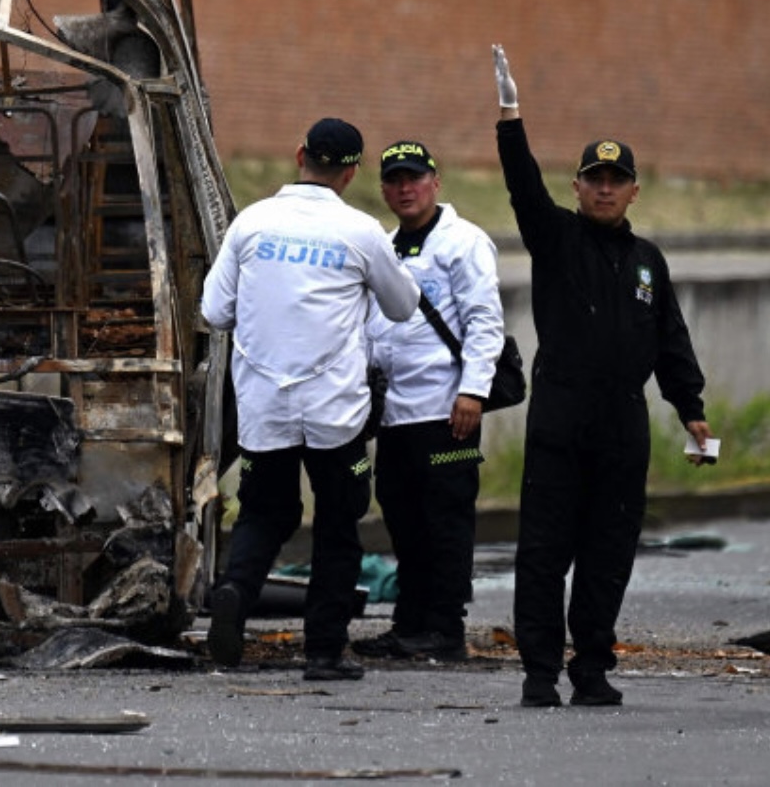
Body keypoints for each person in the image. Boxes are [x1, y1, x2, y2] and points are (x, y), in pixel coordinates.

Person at [492, 46, 711, 708]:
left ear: (634, 190)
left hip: (623, 422)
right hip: (561, 417)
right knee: (544, 550)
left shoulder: (648, 260)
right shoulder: (557, 237)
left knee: (609, 551)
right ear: (578, 186)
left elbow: (670, 339)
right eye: (595, 178)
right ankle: (539, 672)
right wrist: (510, 119)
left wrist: (692, 409)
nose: (606, 188)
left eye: (617, 180)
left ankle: (591, 667)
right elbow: (522, 187)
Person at [200, 118, 421, 681]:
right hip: (335, 410)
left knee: (264, 512)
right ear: (352, 172)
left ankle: (235, 592)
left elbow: (214, 311)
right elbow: (402, 307)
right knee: (339, 525)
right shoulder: (361, 231)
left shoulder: (251, 223)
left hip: (264, 406)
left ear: (299, 155)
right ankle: (324, 651)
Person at [353, 140, 506, 662]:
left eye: (414, 178)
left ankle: (445, 628)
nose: (405, 188)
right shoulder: (384, 246)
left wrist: (473, 391)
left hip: (447, 410)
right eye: (394, 180)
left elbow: (485, 321)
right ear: (383, 189)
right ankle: (409, 623)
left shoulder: (464, 242)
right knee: (402, 518)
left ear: (435, 182)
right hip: (395, 413)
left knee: (445, 521)